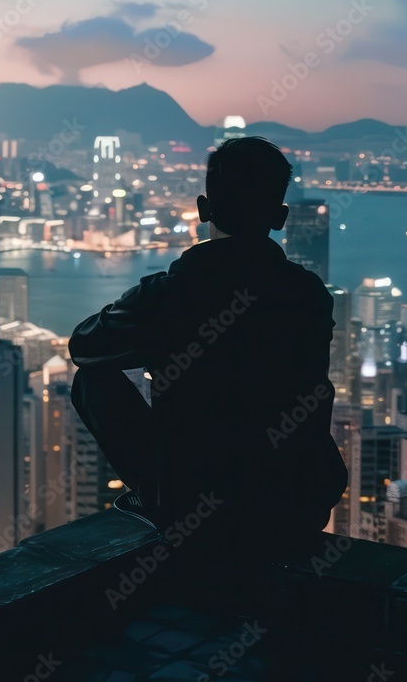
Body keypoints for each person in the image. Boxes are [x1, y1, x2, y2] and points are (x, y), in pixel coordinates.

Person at [69, 136, 348, 572]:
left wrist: (151, 323)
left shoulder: (172, 293)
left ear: (203, 209)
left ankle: (153, 494)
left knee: (91, 378)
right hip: (300, 503)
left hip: (196, 511)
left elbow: (84, 347)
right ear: (280, 218)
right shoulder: (308, 293)